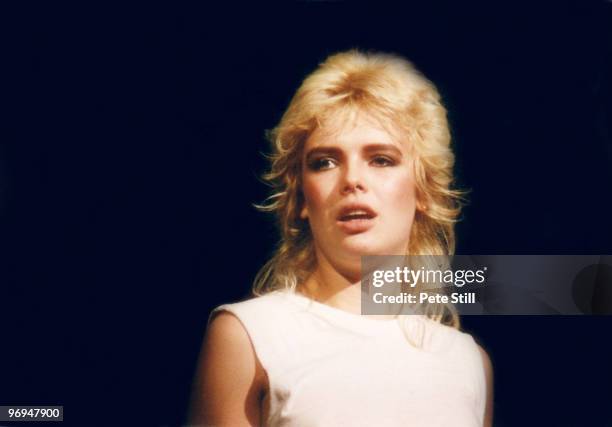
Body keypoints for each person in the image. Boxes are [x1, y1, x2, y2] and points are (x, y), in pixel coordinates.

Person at [189, 49, 494, 426]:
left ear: (423, 191)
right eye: (325, 162)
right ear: (301, 196)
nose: (352, 180)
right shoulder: (250, 336)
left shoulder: (466, 361)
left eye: (381, 159)